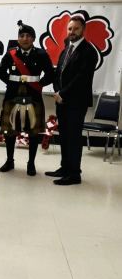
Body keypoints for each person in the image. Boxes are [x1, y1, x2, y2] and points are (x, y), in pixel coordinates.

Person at [0, 20, 55, 176]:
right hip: (13, 95)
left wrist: (40, 84)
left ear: (33, 39)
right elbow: (1, 72)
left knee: (34, 131)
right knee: (9, 130)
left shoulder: (41, 54)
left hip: (33, 95)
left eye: (28, 36)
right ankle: (10, 160)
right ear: (18, 39)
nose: (24, 39)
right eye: (21, 36)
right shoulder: (10, 54)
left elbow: (51, 74)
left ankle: (31, 163)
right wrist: (10, 82)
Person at [46, 16, 97, 185]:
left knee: (74, 138)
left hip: (76, 103)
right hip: (62, 101)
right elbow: (58, 72)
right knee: (65, 136)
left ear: (83, 30)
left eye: (75, 29)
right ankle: (65, 167)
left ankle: (75, 173)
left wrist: (63, 94)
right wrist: (57, 91)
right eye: (70, 29)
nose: (72, 32)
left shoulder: (88, 51)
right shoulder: (66, 48)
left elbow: (81, 78)